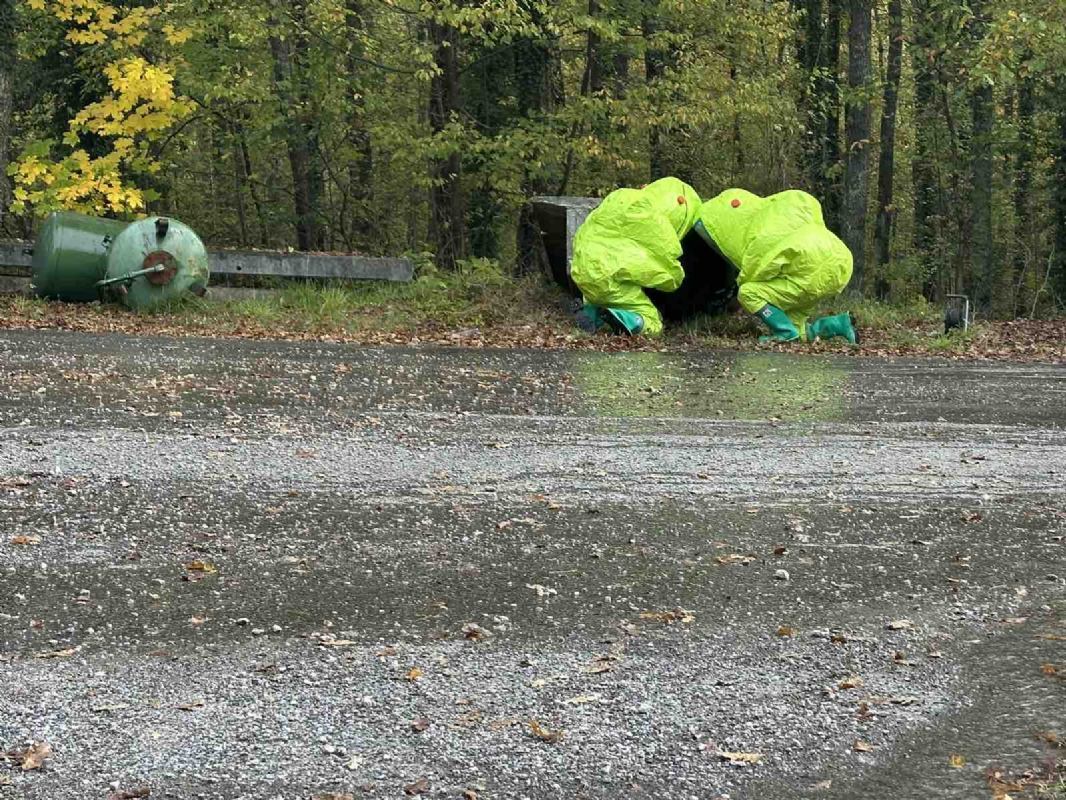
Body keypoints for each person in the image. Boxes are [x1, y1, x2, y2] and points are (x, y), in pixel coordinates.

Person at [696, 188, 858, 343]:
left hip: (810, 270)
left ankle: (784, 332)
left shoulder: (768, 236)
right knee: (797, 327)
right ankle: (838, 324)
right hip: (841, 263)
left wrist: (742, 281)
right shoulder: (799, 226)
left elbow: (762, 267)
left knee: (748, 293)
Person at [570, 176, 701, 336]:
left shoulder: (619, 198)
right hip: (611, 281)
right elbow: (668, 276)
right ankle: (630, 320)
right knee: (652, 321)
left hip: (582, 269)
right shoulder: (661, 229)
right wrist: (676, 277)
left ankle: (591, 313)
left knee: (600, 294)